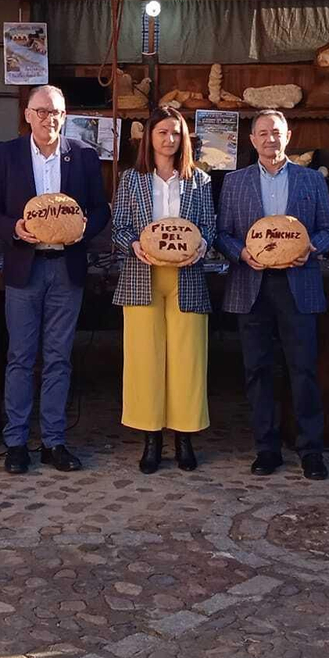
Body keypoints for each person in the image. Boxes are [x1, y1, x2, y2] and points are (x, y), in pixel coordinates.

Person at [0, 85, 109, 474]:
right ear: (27, 115)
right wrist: (14, 228)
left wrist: (85, 226)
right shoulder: (6, 155)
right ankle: (16, 441)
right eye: (42, 111)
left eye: (56, 112)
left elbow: (101, 207)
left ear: (64, 116)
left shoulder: (83, 155)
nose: (49, 118)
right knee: (20, 356)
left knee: (58, 358)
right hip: (25, 268)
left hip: (66, 268)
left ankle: (54, 441)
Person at [216, 110, 329, 480]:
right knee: (258, 370)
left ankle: (310, 450)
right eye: (263, 133)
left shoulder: (311, 181)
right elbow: (221, 233)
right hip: (251, 286)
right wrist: (241, 253)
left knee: (303, 369)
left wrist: (310, 249)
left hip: (297, 284)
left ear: (289, 136)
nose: (270, 139)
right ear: (252, 140)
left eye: (277, 132)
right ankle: (266, 449)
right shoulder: (234, 183)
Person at [111, 105, 215, 473]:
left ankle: (184, 437)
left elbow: (209, 227)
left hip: (187, 278)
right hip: (143, 277)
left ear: (184, 138)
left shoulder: (199, 181)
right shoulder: (132, 180)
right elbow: (119, 227)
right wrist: (133, 246)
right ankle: (151, 438)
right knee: (144, 359)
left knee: (188, 360)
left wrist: (202, 247)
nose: (169, 140)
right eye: (162, 133)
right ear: (149, 138)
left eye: (175, 133)